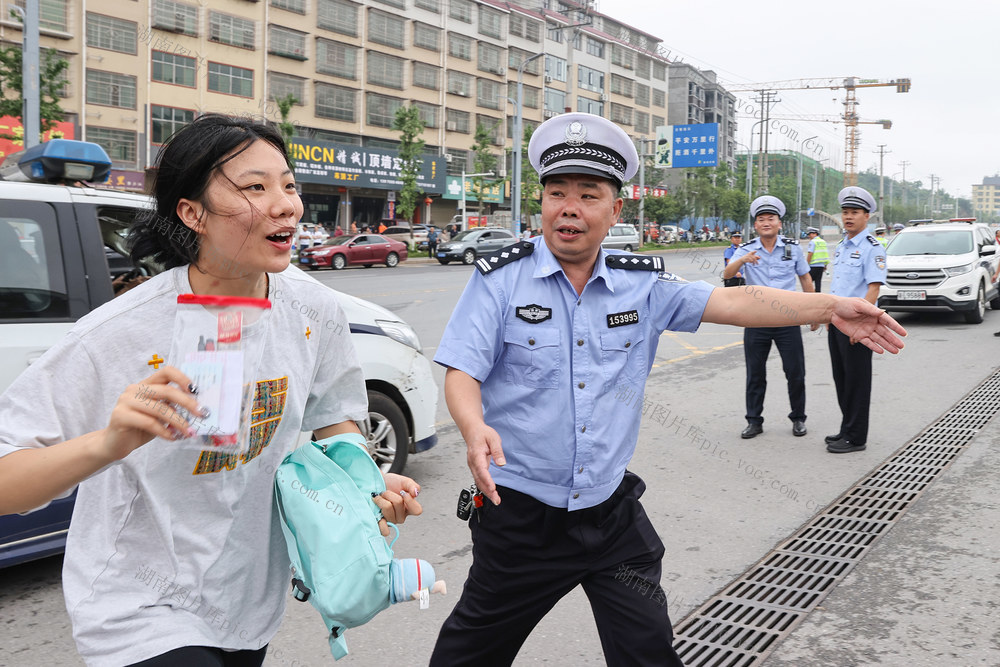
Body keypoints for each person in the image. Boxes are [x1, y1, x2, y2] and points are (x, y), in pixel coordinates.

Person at [428, 112, 906, 666]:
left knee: (648, 651)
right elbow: (462, 369)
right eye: (557, 193)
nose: (569, 207)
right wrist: (473, 427)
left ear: (615, 210)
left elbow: (734, 301)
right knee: (467, 656)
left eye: (588, 195)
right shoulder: (499, 280)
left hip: (609, 514)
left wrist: (829, 306)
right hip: (520, 517)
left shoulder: (642, 284)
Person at [0, 114, 421, 666]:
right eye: (255, 187)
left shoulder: (313, 309)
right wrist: (110, 443)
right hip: (137, 607)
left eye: (288, 185)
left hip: (246, 604)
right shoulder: (117, 332)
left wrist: (366, 486)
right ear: (192, 213)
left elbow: (336, 424)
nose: (286, 205)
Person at [722, 196, 816, 439]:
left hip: (788, 320)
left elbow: (805, 279)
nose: (766, 223)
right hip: (757, 320)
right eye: (761, 219)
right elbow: (727, 274)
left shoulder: (792, 248)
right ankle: (754, 421)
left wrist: (815, 311)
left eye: (771, 219)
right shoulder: (746, 249)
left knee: (795, 372)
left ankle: (798, 418)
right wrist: (742, 260)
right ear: (755, 225)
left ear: (779, 223)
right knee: (755, 374)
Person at [826, 185, 888, 454]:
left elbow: (873, 289)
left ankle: (856, 437)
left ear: (866, 216)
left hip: (857, 325)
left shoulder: (872, 248)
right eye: (845, 212)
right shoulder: (843, 246)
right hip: (837, 321)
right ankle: (846, 428)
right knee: (842, 378)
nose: (848, 217)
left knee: (857, 381)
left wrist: (861, 324)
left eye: (854, 212)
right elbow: (839, 286)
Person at [805, 226, 830, 292]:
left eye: (810, 234)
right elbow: (825, 254)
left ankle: (810, 295)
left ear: (815, 234)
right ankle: (818, 294)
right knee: (818, 282)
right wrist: (825, 265)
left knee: (808, 282)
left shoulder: (813, 242)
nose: (809, 236)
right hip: (821, 266)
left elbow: (810, 253)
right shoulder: (823, 242)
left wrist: (806, 264)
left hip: (813, 265)